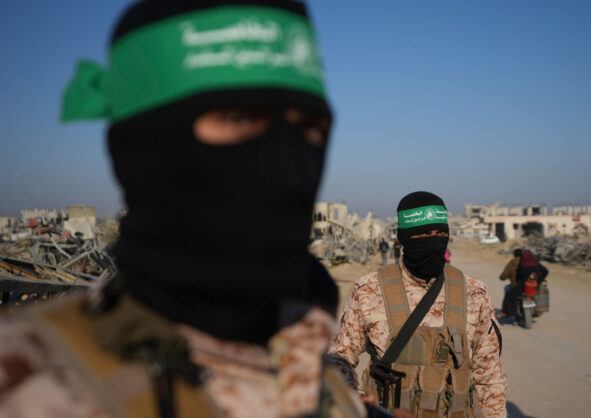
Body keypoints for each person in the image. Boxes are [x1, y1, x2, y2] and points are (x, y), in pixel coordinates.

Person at [0, 1, 346, 417]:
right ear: (144, 143)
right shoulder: (29, 383)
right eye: (236, 116)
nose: (287, 167)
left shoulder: (321, 376)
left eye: (309, 128)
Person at [326, 191, 506, 417]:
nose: (434, 241)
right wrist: (358, 404)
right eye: (423, 234)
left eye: (441, 233)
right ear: (403, 238)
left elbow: (489, 375)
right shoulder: (370, 290)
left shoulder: (474, 292)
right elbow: (339, 358)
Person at [501, 250, 548, 320]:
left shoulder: (522, 264)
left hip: (524, 285)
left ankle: (512, 312)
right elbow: (545, 271)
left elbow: (519, 275)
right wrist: (539, 280)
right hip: (535, 285)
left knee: (510, 293)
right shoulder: (536, 263)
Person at [497, 249, 522, 318]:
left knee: (507, 289)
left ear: (514, 255)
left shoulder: (513, 263)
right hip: (527, 284)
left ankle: (506, 310)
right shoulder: (527, 262)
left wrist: (503, 277)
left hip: (516, 285)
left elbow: (503, 276)